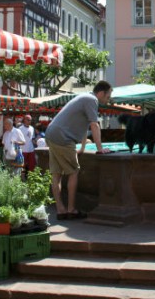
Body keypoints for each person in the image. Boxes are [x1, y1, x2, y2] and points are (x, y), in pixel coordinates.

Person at [45, 81, 113, 220]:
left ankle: (60, 210)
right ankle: (71, 210)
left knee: (56, 174)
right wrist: (100, 149)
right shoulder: (91, 100)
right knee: (73, 172)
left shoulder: (84, 97)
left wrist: (82, 148)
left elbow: (84, 126)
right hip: (63, 138)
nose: (108, 99)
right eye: (108, 96)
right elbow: (94, 125)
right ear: (101, 93)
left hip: (51, 134)